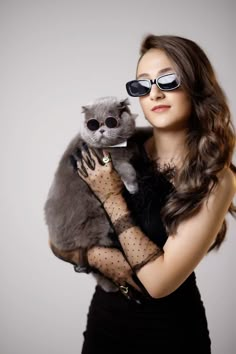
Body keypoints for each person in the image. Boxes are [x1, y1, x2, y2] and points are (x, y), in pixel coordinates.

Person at [49, 34, 236, 353]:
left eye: (168, 79)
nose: (155, 92)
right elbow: (58, 239)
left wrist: (111, 197)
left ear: (195, 84)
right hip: (103, 327)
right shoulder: (118, 146)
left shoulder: (215, 177)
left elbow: (159, 283)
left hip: (169, 335)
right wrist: (93, 255)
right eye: (142, 85)